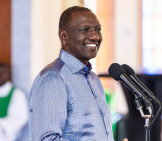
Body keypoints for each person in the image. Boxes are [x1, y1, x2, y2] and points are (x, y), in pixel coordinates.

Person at [29, 6, 128, 141]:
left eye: (98, 30)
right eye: (85, 30)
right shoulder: (53, 78)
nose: (95, 36)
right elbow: (47, 139)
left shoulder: (93, 78)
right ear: (64, 36)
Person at [0, 63, 28, 141]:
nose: (0, 76)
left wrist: (2, 125)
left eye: (2, 73)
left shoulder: (17, 94)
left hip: (8, 137)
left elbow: (21, 117)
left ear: (7, 75)